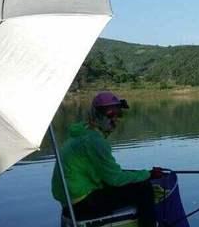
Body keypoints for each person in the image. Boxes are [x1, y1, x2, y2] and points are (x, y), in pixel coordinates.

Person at [51, 91, 163, 227]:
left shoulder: (81, 133)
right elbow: (115, 179)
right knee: (144, 189)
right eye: (110, 114)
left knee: (134, 181)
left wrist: (142, 174)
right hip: (82, 205)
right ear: (96, 114)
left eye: (118, 114)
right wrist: (148, 174)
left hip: (69, 203)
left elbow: (107, 174)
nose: (115, 118)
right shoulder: (95, 141)